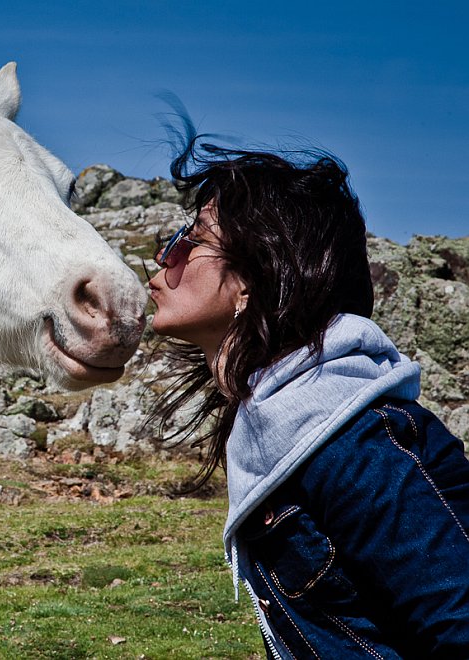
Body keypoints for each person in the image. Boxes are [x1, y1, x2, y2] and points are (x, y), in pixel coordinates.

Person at [146, 131, 469, 658]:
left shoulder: (355, 443)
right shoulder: (282, 427)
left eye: (191, 239)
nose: (165, 258)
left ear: (253, 278)